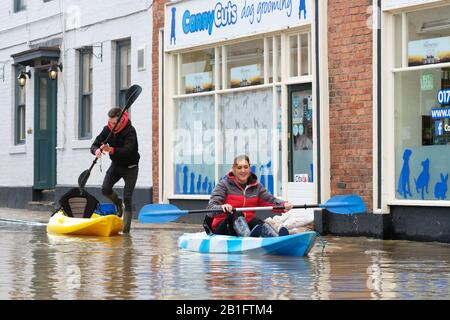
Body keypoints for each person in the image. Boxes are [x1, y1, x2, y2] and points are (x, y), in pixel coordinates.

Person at [205, 155, 293, 237]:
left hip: (246, 225)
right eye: (239, 168)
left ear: (249, 168)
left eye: (245, 167)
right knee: (235, 213)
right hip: (223, 228)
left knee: (256, 221)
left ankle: (276, 238)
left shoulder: (257, 187)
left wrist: (283, 204)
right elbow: (210, 208)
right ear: (233, 169)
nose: (243, 170)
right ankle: (248, 238)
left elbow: (270, 200)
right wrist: (222, 207)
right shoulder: (223, 185)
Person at [91, 107, 140, 233]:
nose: (111, 125)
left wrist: (112, 150)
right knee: (105, 189)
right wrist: (96, 150)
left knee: (128, 197)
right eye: (110, 122)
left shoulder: (130, 131)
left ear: (121, 120)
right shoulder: (107, 129)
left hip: (131, 167)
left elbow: (129, 151)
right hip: (117, 165)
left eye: (113, 123)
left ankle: (126, 231)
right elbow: (95, 143)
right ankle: (118, 204)